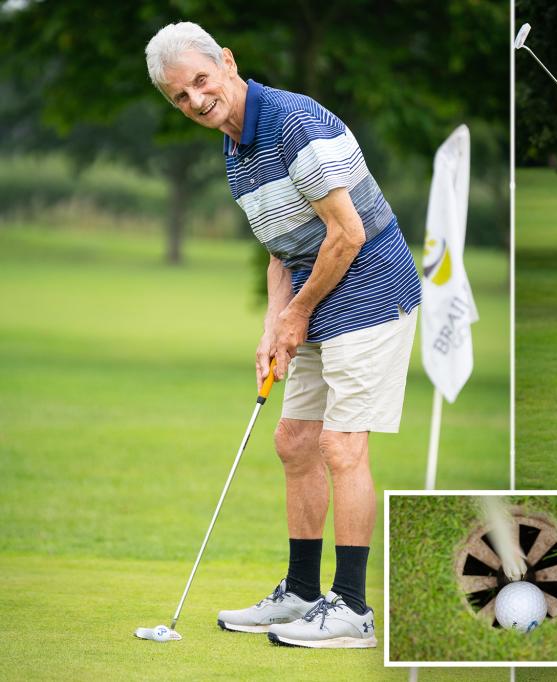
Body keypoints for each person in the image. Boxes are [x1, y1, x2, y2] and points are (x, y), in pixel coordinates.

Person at [145, 22, 421, 645]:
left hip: (373, 292)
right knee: (295, 442)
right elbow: (279, 252)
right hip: (318, 295)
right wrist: (274, 326)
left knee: (341, 447)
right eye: (179, 97)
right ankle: (300, 594)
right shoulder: (235, 147)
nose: (195, 101)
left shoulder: (292, 124)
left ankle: (351, 609)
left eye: (200, 80)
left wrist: (296, 314)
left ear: (228, 62)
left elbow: (347, 234)